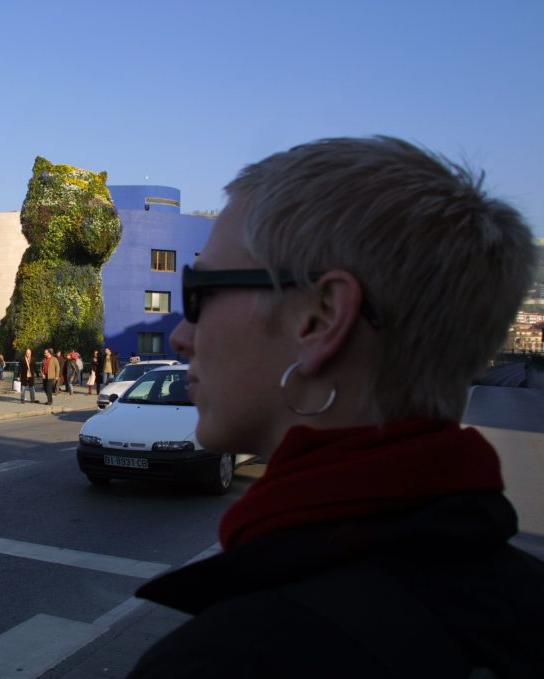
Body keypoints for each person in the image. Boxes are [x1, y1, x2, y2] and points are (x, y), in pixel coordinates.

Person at [128, 136, 544, 677]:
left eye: (198, 292)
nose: (182, 335)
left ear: (320, 319)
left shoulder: (238, 660)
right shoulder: (518, 598)